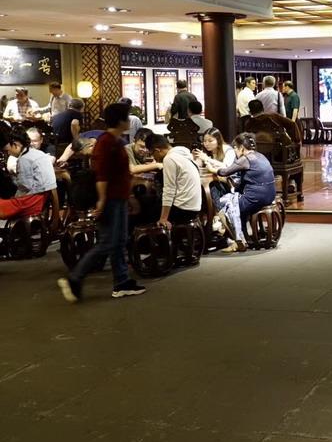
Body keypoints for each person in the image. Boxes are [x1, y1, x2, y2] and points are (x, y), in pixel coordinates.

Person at [58, 103, 146, 302]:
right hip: (111, 199)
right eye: (127, 118)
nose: (129, 121)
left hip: (119, 197)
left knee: (119, 241)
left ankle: (122, 282)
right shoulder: (107, 142)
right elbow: (102, 175)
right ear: (121, 121)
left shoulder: (115, 140)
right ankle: (75, 278)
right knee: (108, 242)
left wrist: (129, 197)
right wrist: (102, 200)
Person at [215, 133, 276, 253]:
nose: (235, 151)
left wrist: (214, 169)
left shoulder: (245, 159)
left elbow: (224, 172)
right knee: (237, 202)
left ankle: (238, 241)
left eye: (235, 148)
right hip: (270, 195)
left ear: (242, 148)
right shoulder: (260, 155)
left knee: (223, 205)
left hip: (256, 198)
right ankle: (244, 237)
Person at [0, 126, 59, 221]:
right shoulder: (37, 153)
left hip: (33, 201)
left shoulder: (24, 159)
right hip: (43, 197)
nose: (9, 154)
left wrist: (14, 198)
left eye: (7, 151)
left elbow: (25, 187)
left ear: (15, 145)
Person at [146, 133, 202, 227]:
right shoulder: (183, 154)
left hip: (183, 210)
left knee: (145, 208)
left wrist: (163, 219)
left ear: (157, 150)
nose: (153, 158)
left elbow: (169, 190)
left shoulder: (169, 159)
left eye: (151, 154)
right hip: (195, 208)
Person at [193, 128, 236, 209]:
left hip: (227, 183)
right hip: (210, 181)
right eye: (204, 141)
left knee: (212, 186)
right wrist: (194, 158)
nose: (206, 144)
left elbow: (226, 167)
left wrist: (207, 159)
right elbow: (198, 166)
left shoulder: (228, 150)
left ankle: (220, 212)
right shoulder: (206, 151)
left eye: (210, 141)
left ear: (218, 140)